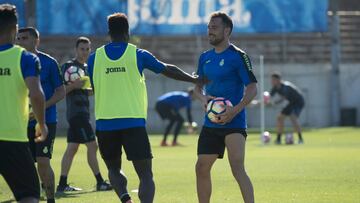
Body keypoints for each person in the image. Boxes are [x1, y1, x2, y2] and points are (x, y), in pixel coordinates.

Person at [87, 13, 200, 203]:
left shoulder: (93, 59)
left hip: (105, 124)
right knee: (145, 175)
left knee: (113, 169)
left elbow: (95, 87)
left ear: (109, 33)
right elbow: (167, 69)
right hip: (133, 123)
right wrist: (194, 79)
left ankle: (125, 199)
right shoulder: (138, 54)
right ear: (127, 32)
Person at [194, 12, 257, 203]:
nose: (210, 31)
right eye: (208, 27)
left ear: (226, 30)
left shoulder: (239, 56)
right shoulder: (204, 57)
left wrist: (234, 110)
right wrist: (203, 98)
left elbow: (252, 89)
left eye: (214, 28)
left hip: (234, 122)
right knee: (201, 167)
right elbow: (196, 88)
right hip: (211, 124)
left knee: (237, 168)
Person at [0, 4, 48, 203]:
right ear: (15, 29)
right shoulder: (25, 58)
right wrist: (41, 123)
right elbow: (36, 94)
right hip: (12, 139)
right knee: (29, 195)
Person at [17, 27, 65, 203]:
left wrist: (41, 107)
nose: (20, 41)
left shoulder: (49, 62)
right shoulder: (13, 61)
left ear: (36, 40)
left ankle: (51, 199)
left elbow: (61, 91)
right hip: (20, 122)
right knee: (24, 166)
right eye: (18, 38)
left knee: (43, 163)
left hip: (45, 121)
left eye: (25, 38)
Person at [57, 37, 111, 192]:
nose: (85, 52)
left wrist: (93, 90)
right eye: (82, 49)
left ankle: (62, 184)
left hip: (83, 113)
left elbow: (86, 92)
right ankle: (100, 182)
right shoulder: (68, 66)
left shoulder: (87, 68)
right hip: (77, 114)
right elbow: (60, 91)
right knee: (93, 146)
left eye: (88, 49)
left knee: (72, 148)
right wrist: (74, 85)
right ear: (76, 49)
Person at [270, 72, 305, 144]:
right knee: (280, 118)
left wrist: (273, 103)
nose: (272, 81)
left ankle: (300, 139)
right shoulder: (275, 88)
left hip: (298, 102)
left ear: (278, 80)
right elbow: (269, 96)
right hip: (290, 103)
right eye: (271, 80)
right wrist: (262, 101)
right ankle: (278, 139)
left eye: (273, 80)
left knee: (293, 118)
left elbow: (283, 98)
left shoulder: (286, 86)